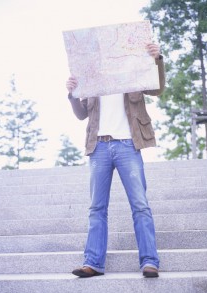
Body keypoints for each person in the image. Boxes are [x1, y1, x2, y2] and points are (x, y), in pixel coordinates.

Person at [66, 43, 165, 278]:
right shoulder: (90, 79)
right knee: (97, 208)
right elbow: (82, 115)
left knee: (140, 205)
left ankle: (150, 261)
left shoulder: (133, 72)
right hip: (99, 146)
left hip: (128, 145)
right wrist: (71, 94)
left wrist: (157, 59)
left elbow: (158, 88)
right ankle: (93, 263)